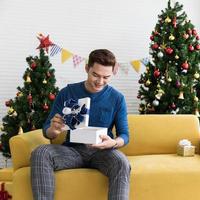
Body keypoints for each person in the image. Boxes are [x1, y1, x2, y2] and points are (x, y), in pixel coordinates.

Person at [30, 49, 130, 200]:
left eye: (106, 77)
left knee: (122, 162)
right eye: (95, 75)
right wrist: (53, 130)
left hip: (103, 153)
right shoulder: (67, 92)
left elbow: (125, 135)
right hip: (72, 151)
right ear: (86, 68)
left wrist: (114, 142)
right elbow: (46, 131)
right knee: (40, 152)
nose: (100, 81)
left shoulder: (117, 98)